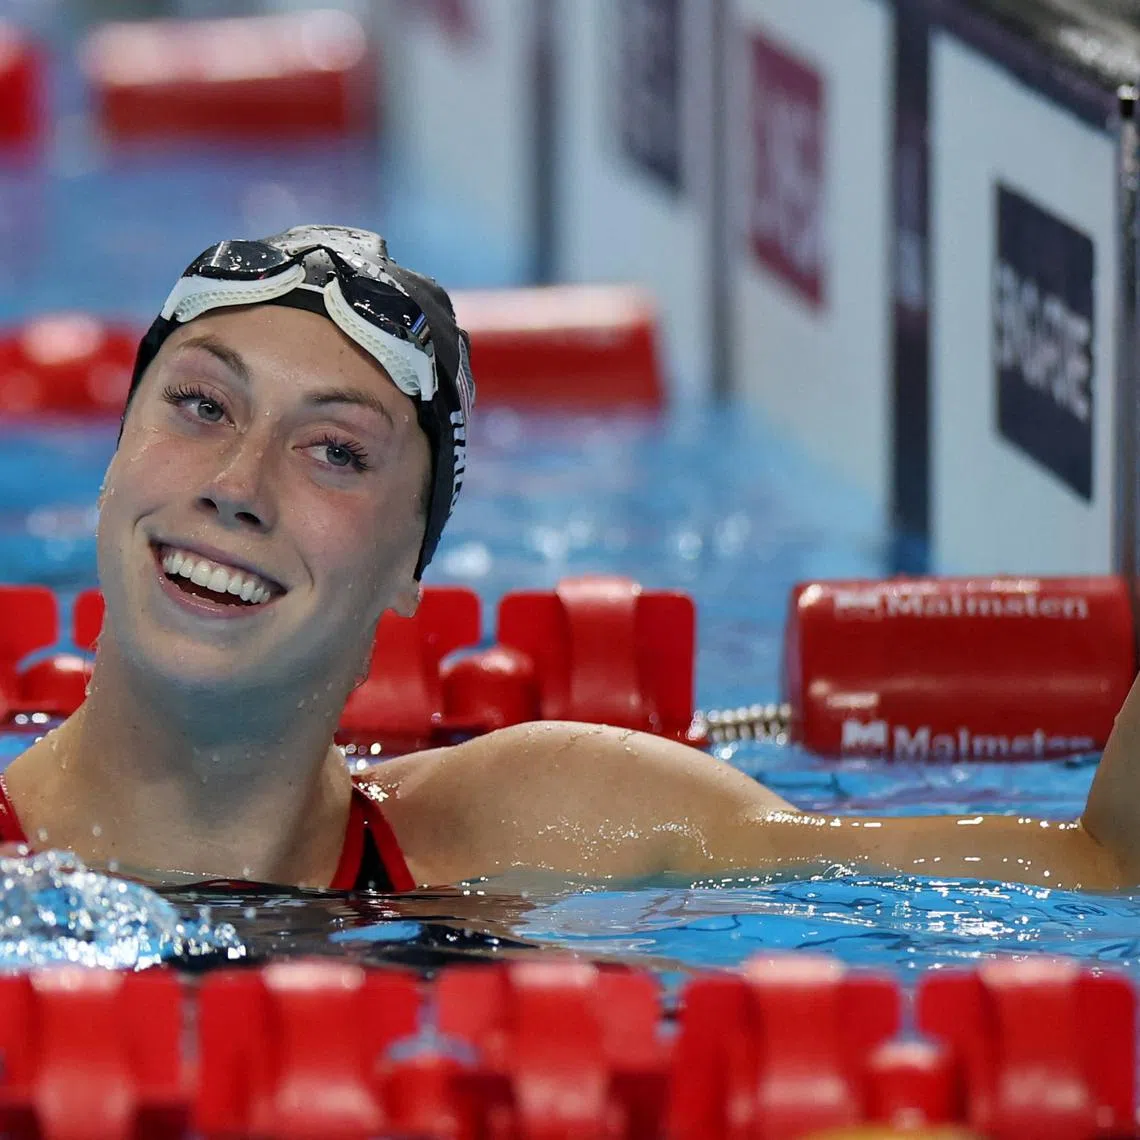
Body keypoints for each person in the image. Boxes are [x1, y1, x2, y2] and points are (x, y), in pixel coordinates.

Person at [1, 225, 1135, 893]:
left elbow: (1105, 870)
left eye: (335, 452)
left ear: (412, 567)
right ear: (114, 457)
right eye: (201, 405)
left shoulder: (537, 825)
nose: (236, 488)